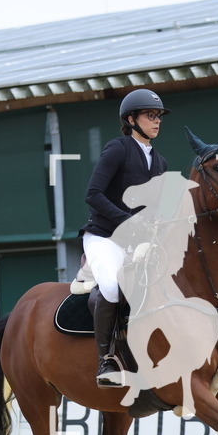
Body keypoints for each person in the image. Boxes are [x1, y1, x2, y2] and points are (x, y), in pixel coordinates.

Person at [79, 89, 170, 387]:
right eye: (150, 116)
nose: (157, 121)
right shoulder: (118, 148)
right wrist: (128, 221)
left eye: (158, 116)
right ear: (131, 120)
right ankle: (105, 361)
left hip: (138, 240)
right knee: (111, 287)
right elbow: (93, 194)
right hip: (104, 237)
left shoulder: (160, 161)